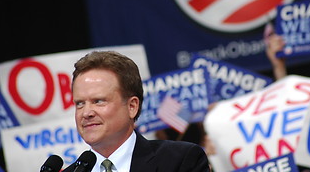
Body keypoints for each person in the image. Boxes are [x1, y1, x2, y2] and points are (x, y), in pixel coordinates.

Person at [64, 51, 210, 172]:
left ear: (132, 106)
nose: (86, 113)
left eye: (98, 101)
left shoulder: (180, 161)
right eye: (80, 103)